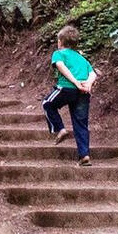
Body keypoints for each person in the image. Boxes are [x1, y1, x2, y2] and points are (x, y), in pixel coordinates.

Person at [41, 24, 97, 166]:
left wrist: (75, 82)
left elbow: (60, 66)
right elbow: (93, 73)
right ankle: (84, 155)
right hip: (83, 93)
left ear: (60, 42)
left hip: (67, 88)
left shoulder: (59, 53)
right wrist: (87, 85)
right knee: (81, 123)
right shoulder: (81, 58)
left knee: (47, 104)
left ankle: (60, 128)